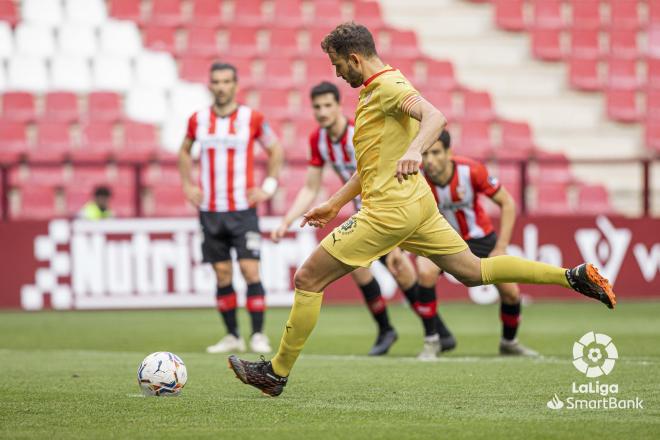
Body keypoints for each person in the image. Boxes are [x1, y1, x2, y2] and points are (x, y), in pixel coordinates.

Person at [228, 23, 615, 397]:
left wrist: (416, 149)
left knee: (307, 279)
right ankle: (573, 276)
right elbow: (372, 167)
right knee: (474, 271)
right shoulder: (373, 90)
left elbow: (435, 116)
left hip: (388, 212)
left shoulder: (390, 87)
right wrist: (335, 203)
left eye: (337, 64)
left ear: (355, 58)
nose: (336, 71)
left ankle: (275, 373)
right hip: (417, 205)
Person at [271, 81, 442, 356]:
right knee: (359, 268)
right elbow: (311, 187)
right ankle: (388, 329)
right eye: (317, 107)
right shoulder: (318, 140)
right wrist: (286, 220)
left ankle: (435, 330)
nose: (323, 111)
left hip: (391, 205)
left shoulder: (358, 134)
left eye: (328, 105)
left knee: (401, 267)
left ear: (339, 106)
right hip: (366, 212)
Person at [394, 129, 538, 360]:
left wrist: (501, 246)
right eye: (426, 154)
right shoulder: (416, 179)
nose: (430, 160)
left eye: (436, 153)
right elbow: (404, 215)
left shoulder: (471, 171)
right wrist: (397, 246)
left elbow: (508, 203)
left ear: (449, 152)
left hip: (481, 240)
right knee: (425, 270)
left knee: (511, 293)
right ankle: (432, 341)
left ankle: (509, 342)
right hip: (441, 241)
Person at [178, 62, 284, 354]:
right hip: (211, 211)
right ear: (210, 85)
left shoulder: (252, 118)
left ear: (235, 85)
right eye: (216, 81)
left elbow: (275, 149)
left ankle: (259, 335)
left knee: (250, 270)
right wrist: (188, 186)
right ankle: (232, 336)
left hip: (243, 210)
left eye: (227, 81)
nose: (222, 86)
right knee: (222, 274)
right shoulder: (197, 120)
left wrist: (269, 187)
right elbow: (184, 151)